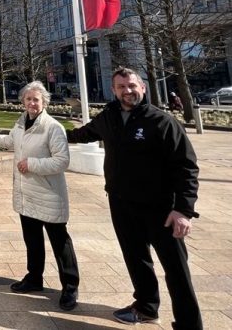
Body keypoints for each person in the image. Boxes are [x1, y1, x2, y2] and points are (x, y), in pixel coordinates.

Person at [67, 67, 202, 329]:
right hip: (121, 203)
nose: (127, 91)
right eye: (121, 87)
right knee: (136, 258)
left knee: (176, 269)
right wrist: (45, 133)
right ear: (114, 91)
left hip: (161, 208)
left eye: (131, 86)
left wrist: (183, 210)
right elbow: (81, 135)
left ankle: (189, 324)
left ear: (142, 87)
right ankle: (146, 307)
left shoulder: (162, 122)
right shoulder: (110, 117)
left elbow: (186, 168)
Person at [0, 80, 80, 311]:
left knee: (60, 243)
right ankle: (34, 278)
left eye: (36, 99)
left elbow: (62, 161)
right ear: (23, 102)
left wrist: (32, 164)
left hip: (49, 195)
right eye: (28, 99)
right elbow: (9, 142)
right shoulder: (20, 124)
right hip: (26, 193)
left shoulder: (52, 127)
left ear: (44, 102)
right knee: (32, 239)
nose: (31, 103)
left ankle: (70, 287)